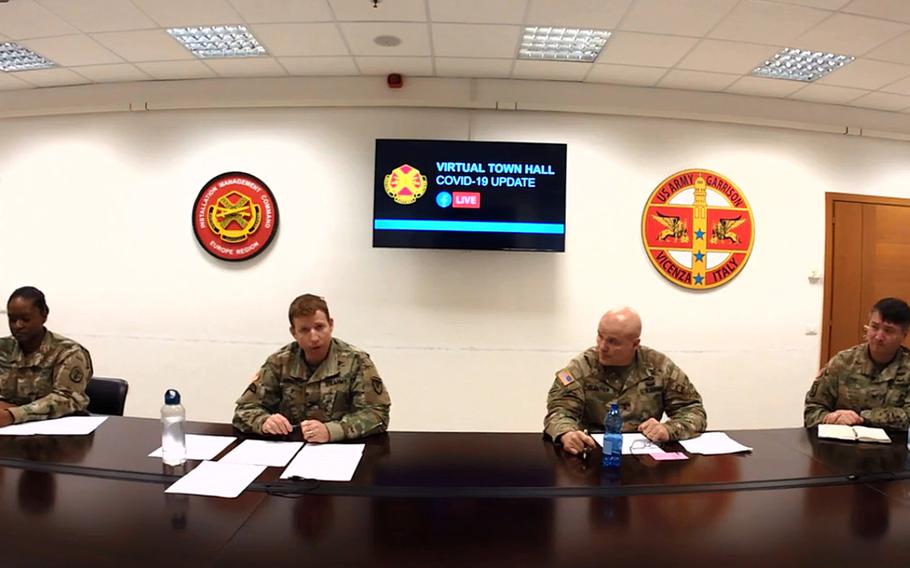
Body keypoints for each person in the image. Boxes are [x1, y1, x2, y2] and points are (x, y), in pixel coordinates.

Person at [544, 306, 707, 455]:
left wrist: (669, 429)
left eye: (613, 341)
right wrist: (567, 433)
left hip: (644, 457)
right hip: (595, 455)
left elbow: (693, 410)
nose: (602, 346)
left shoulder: (659, 367)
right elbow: (559, 411)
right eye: (600, 336)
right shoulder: (582, 367)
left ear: (635, 344)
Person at [233, 294, 391, 442]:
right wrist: (264, 421)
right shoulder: (279, 362)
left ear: (331, 325)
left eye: (319, 327)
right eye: (304, 330)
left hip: (342, 450)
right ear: (293, 332)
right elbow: (244, 411)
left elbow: (378, 414)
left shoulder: (356, 361)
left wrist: (332, 431)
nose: (314, 337)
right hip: (289, 450)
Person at [804, 297, 910, 430]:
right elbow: (812, 411)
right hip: (840, 446)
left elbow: (907, 417)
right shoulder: (843, 362)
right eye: (874, 327)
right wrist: (830, 418)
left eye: (888, 331)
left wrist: (862, 418)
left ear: (904, 335)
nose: (878, 336)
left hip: (895, 448)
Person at [0, 286, 93, 427]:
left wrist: (13, 414)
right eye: (12, 320)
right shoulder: (3, 348)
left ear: (44, 314)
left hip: (58, 434)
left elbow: (66, 399)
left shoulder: (68, 352)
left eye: (25, 319)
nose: (18, 325)